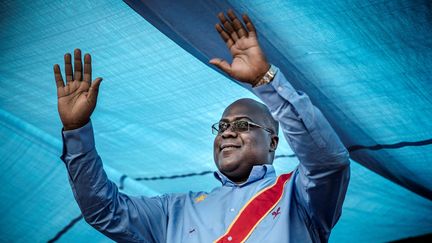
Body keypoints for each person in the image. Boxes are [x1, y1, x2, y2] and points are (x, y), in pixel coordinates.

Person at [54, 10, 349, 243]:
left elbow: (328, 162)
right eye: (221, 126)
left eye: (242, 124)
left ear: (272, 141)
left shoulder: (299, 195)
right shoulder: (175, 212)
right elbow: (103, 210)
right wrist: (76, 128)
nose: (227, 132)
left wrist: (266, 81)